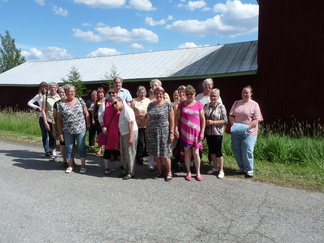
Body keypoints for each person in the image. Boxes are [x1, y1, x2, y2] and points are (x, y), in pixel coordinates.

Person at [229, 85, 263, 177]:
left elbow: (256, 120)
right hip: (236, 131)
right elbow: (231, 115)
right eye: (243, 92)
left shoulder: (255, 104)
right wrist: (234, 125)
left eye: (247, 92)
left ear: (251, 94)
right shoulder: (236, 103)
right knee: (237, 150)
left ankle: (249, 169)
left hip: (249, 132)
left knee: (247, 150)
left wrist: (246, 128)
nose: (245, 94)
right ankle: (241, 167)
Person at [175, 85, 205, 181]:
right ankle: (188, 171)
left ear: (194, 94)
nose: (189, 96)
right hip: (185, 133)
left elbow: (203, 119)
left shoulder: (199, 105)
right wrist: (176, 129)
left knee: (196, 153)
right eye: (187, 94)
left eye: (191, 94)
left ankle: (198, 172)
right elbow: (177, 118)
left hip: (196, 133)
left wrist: (202, 132)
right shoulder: (181, 104)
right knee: (187, 152)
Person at [57, 84, 90, 174]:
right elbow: (59, 119)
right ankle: (70, 165)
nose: (71, 93)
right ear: (66, 92)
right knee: (69, 148)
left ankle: (83, 165)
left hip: (80, 130)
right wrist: (60, 133)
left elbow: (86, 113)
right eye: (69, 91)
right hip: (67, 131)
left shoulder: (80, 100)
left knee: (81, 147)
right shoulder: (61, 104)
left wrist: (88, 124)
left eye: (73, 91)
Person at [146, 86, 174, 182]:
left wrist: (171, 132)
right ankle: (160, 171)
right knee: (155, 154)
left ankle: (169, 172)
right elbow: (148, 119)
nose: (159, 95)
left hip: (164, 132)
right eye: (157, 93)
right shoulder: (150, 105)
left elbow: (172, 120)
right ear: (154, 94)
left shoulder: (168, 105)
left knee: (165, 154)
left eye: (160, 93)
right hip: (152, 132)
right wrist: (146, 131)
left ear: (163, 94)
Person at [113, 97, 138, 180]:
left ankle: (131, 172)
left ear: (120, 101)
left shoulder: (127, 109)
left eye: (115, 103)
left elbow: (131, 123)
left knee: (130, 153)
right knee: (124, 153)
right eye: (113, 104)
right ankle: (126, 170)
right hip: (124, 134)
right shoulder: (122, 110)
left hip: (130, 133)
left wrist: (130, 137)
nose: (114, 105)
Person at [204, 89, 227, 179]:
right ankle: (215, 167)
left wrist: (213, 122)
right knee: (211, 151)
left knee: (218, 151)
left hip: (217, 132)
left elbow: (225, 120)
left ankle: (221, 170)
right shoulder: (206, 106)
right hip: (208, 132)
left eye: (215, 96)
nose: (213, 97)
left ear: (218, 97)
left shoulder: (221, 106)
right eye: (212, 96)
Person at [98, 86, 121, 176]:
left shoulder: (121, 102)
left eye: (113, 93)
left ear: (117, 93)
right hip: (108, 130)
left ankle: (124, 166)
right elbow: (100, 115)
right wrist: (102, 126)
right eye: (110, 93)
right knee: (108, 149)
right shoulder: (105, 102)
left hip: (119, 130)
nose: (111, 94)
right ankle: (107, 167)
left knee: (120, 148)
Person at [27, 81, 51, 156]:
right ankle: (47, 149)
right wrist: (37, 107)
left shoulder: (50, 95)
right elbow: (29, 103)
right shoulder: (39, 96)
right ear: (41, 88)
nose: (45, 88)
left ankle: (52, 148)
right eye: (43, 87)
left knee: (52, 134)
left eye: (46, 87)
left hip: (50, 116)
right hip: (42, 116)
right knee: (44, 134)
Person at [131, 86, 150, 166]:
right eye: (140, 92)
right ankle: (139, 157)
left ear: (146, 93)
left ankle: (147, 156)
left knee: (147, 141)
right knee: (140, 142)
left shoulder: (148, 101)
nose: (142, 94)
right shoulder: (134, 101)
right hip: (138, 125)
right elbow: (131, 112)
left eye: (143, 92)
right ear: (137, 93)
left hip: (147, 124)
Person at [42, 82, 60, 161]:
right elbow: (43, 110)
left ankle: (66, 154)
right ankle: (53, 153)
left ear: (57, 88)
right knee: (52, 136)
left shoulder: (61, 96)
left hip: (59, 119)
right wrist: (45, 122)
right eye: (51, 87)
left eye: (54, 87)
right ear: (49, 88)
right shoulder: (45, 97)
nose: (53, 89)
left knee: (62, 136)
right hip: (49, 119)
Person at [92, 87, 105, 155]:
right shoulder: (96, 101)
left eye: (101, 93)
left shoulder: (106, 101)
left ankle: (106, 148)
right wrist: (93, 119)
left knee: (105, 134)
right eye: (99, 93)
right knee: (99, 134)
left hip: (105, 121)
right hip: (97, 120)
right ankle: (100, 148)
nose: (100, 94)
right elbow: (94, 111)